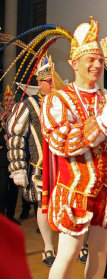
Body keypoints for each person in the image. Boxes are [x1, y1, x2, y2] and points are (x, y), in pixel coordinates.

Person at [41, 17, 107, 279]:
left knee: (99, 251)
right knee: (68, 252)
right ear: (74, 63)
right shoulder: (59, 99)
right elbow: (62, 143)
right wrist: (104, 122)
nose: (95, 65)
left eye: (98, 59)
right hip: (75, 189)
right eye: (89, 60)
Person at [6, 55, 58, 266]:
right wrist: (18, 168)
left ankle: (77, 245)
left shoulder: (61, 100)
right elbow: (16, 134)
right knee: (43, 205)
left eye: (52, 79)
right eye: (46, 80)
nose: (50, 83)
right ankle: (48, 246)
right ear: (39, 82)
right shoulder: (28, 104)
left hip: (64, 164)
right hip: (41, 165)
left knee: (68, 206)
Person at [0, 85, 19, 224]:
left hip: (15, 158)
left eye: (11, 100)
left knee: (13, 188)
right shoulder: (0, 118)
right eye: (6, 101)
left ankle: (11, 216)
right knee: (2, 189)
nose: (8, 103)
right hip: (2, 159)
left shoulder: (18, 118)